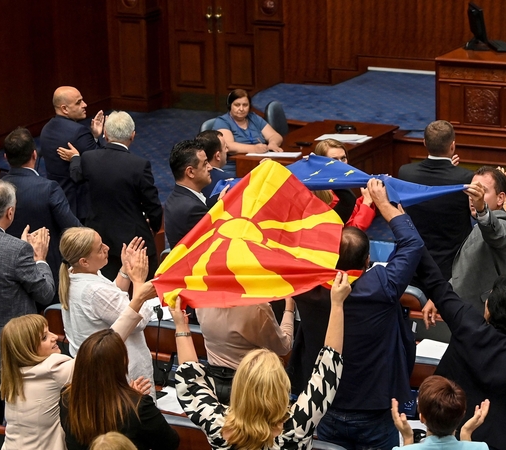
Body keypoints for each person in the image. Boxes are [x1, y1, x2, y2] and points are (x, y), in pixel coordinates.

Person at [287, 179, 423, 450]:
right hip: (375, 407)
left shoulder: (306, 286)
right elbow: (412, 244)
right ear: (367, 261)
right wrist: (383, 204)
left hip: (325, 403)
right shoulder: (382, 286)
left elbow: (286, 244)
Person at [174, 271, 350, 450]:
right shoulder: (296, 427)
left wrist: (181, 326)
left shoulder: (218, 427)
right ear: (281, 388)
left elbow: (190, 377)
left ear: (239, 388)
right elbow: (329, 365)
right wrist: (337, 304)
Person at [0, 275, 156, 450]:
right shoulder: (53, 370)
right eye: (44, 337)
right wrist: (138, 299)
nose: (54, 337)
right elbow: (104, 349)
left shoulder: (12, 373)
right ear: (27, 348)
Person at [418, 253, 506, 450]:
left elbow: (437, 284)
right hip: (503, 443)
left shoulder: (467, 324)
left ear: (489, 307)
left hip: (454, 438)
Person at [0, 180, 55, 424]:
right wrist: (40, 260)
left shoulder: (16, 249)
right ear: (10, 212)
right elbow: (45, 294)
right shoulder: (17, 251)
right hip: (11, 356)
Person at [61, 111, 163, 279]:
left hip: (98, 241)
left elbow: (76, 176)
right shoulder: (139, 165)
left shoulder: (88, 158)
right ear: (133, 136)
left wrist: (75, 159)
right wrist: (154, 226)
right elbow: (152, 204)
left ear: (106, 134)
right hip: (134, 242)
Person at [58, 227, 157, 400]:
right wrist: (139, 281)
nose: (107, 248)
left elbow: (110, 302)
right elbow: (138, 321)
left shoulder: (73, 274)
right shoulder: (93, 290)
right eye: (99, 248)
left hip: (98, 368)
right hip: (119, 372)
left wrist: (125, 270)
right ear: (84, 261)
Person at [59, 329, 180, 450]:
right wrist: (134, 399)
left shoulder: (67, 397)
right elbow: (170, 442)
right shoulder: (139, 407)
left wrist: (130, 397)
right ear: (121, 364)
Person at [2, 127, 81, 304]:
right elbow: (73, 228)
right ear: (34, 155)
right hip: (48, 274)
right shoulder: (48, 188)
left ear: (6, 157)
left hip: (9, 275)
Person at [398, 120, 474, 280]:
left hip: (414, 265)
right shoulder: (465, 179)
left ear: (424, 143)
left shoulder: (405, 173)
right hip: (452, 270)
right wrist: (452, 173)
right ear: (452, 146)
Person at [195, 295, 295, 404]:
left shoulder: (201, 298)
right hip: (249, 387)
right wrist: (289, 309)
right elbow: (284, 347)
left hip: (212, 382)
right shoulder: (257, 306)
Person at [449, 166, 506, 315]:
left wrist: (482, 209)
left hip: (491, 317)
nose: (473, 196)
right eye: (472, 190)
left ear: (500, 198)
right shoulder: (479, 224)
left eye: (482, 191)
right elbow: (467, 268)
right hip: (466, 313)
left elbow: (497, 233)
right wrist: (443, 294)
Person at [39, 86, 105, 221]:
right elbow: (101, 163)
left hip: (57, 200)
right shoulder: (79, 132)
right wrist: (99, 138)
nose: (85, 105)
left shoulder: (46, 129)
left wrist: (94, 137)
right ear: (64, 109)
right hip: (80, 205)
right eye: (78, 102)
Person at [391, 376, 490, 449]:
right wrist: (466, 432)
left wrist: (408, 437)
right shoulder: (481, 448)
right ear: (462, 415)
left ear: (422, 417)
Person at [313, 139, 376, 229]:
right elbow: (352, 230)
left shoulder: (337, 183)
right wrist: (366, 202)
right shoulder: (327, 195)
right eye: (334, 160)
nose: (341, 164)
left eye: (343, 158)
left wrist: (369, 194)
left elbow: (352, 210)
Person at [164, 139, 212, 249]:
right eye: (205, 164)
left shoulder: (174, 198)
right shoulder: (193, 209)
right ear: (190, 172)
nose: (210, 167)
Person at [213, 88, 283, 156]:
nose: (241, 109)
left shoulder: (253, 118)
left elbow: (275, 136)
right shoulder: (222, 121)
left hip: (260, 161)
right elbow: (228, 146)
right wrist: (254, 149)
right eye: (237, 105)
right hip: (237, 163)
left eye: (245, 105)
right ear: (229, 106)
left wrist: (273, 143)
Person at [196, 130, 233, 205]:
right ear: (218, 156)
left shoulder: (191, 178)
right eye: (225, 147)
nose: (227, 150)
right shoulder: (229, 183)